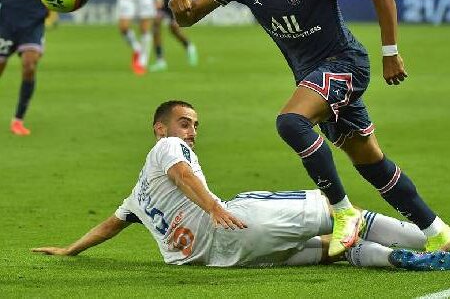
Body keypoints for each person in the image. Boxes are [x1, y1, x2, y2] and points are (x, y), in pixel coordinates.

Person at [167, 0, 450, 256]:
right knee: (372, 164)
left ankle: (342, 210)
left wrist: (390, 52)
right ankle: (437, 230)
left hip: (344, 64)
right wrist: (180, 7)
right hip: (312, 80)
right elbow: (192, 15)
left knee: (291, 122)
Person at [32, 100, 450, 270]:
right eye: (184, 123)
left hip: (219, 258)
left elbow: (111, 223)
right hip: (234, 219)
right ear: (160, 128)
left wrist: (71, 249)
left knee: (330, 250)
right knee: (343, 213)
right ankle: (437, 242)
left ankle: (397, 260)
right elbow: (183, 174)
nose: (191, 131)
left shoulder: (138, 196)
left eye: (195, 125)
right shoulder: (165, 148)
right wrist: (214, 208)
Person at [0, 0, 63, 136]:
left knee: (29, 65)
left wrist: (55, 11)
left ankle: (18, 119)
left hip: (34, 22)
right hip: (6, 18)